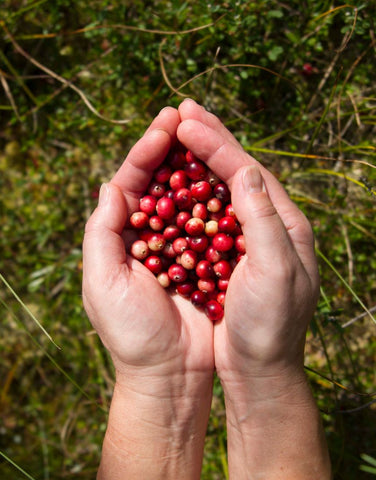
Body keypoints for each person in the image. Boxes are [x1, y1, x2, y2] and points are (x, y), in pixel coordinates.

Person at [82, 98, 332, 479]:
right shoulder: (185, 235)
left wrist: (158, 378)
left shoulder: (186, 227)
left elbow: (186, 232)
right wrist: (268, 371)